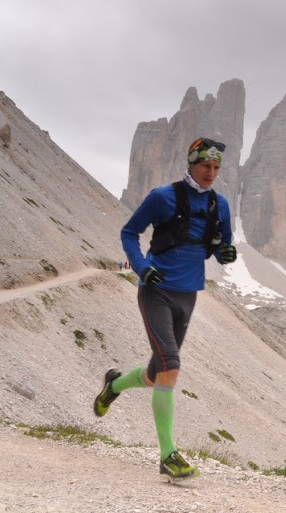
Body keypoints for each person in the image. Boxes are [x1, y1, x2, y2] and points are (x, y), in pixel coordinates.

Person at [94, 137, 237, 480]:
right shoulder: (163, 197)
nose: (211, 173)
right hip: (155, 292)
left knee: (156, 373)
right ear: (191, 164)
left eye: (217, 168)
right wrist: (143, 268)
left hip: (188, 296)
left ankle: (113, 385)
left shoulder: (221, 205)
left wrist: (225, 254)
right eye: (206, 166)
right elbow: (129, 232)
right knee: (171, 366)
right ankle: (167, 455)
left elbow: (221, 248)